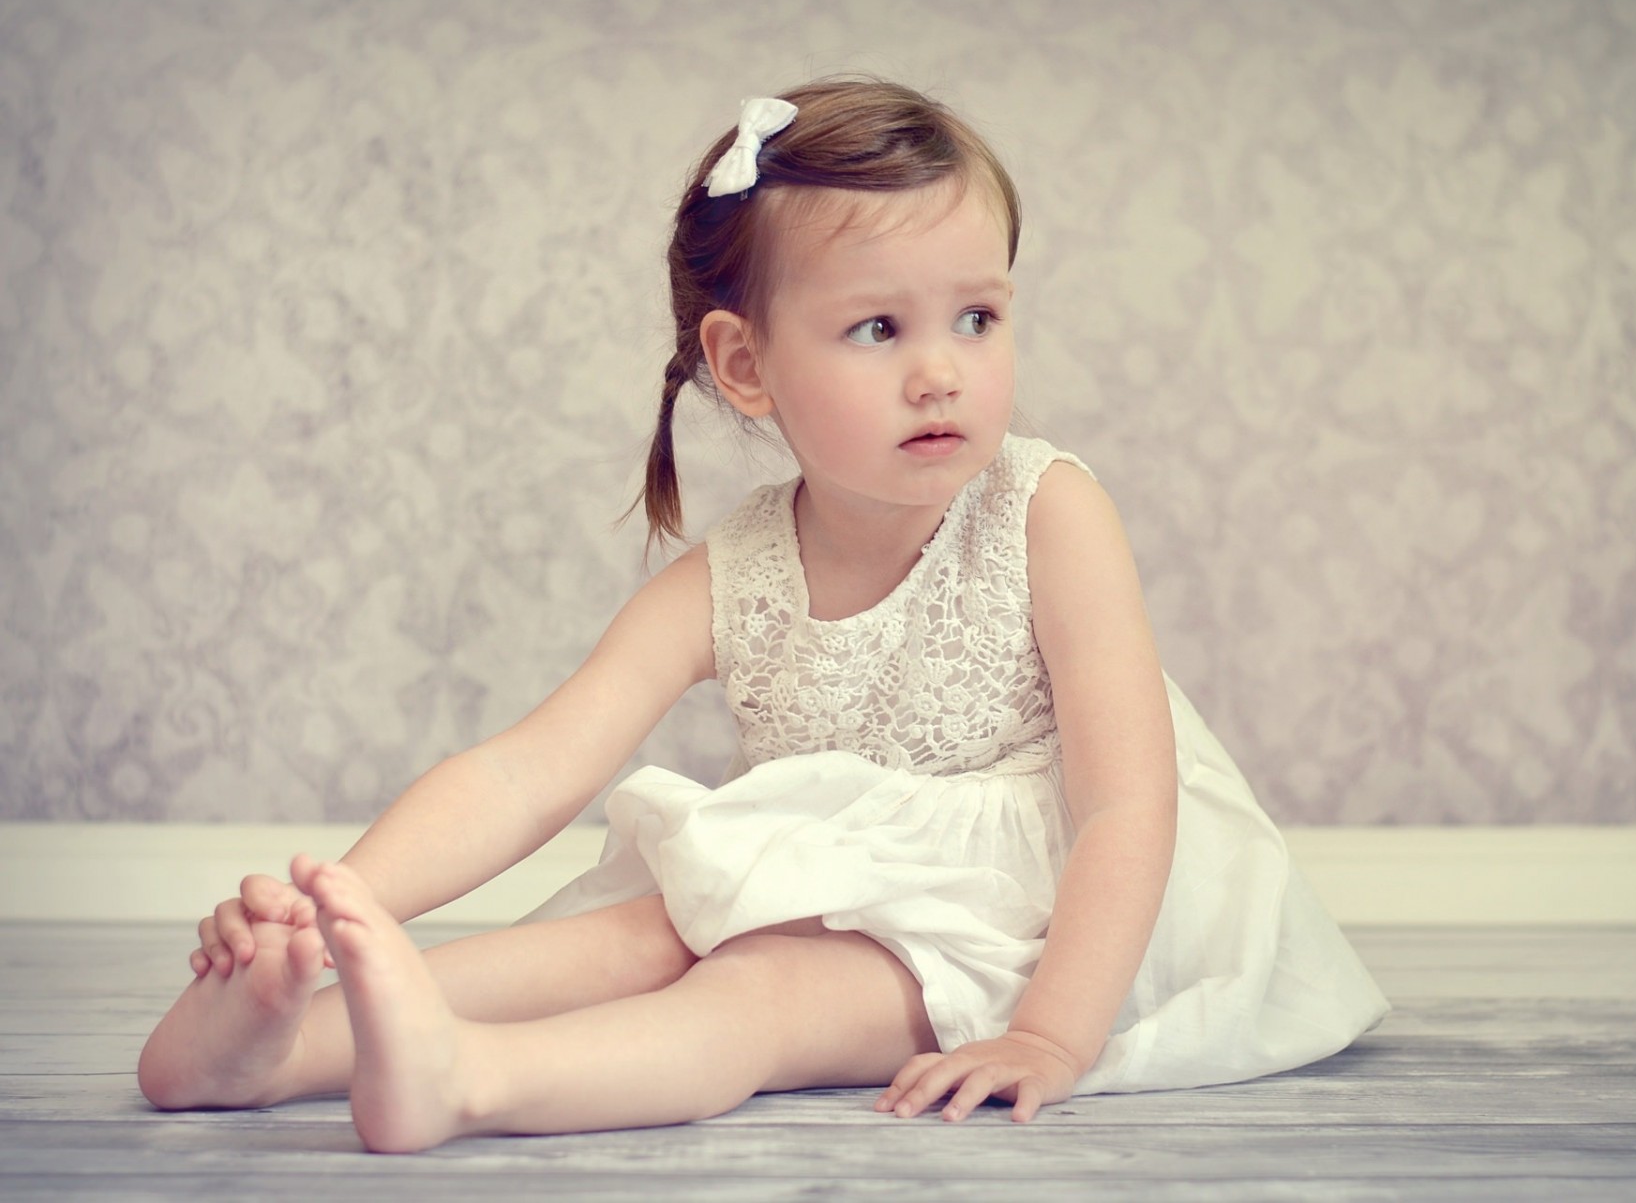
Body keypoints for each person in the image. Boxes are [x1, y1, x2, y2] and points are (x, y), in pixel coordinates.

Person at [136, 77, 1389, 1153]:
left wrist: (1051, 1033)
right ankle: (276, 1038)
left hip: (1054, 924)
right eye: (879, 326)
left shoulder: (1046, 513)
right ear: (746, 364)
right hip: (845, 883)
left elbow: (1126, 805)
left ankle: (469, 1081)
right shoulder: (730, 578)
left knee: (763, 986)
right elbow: (529, 770)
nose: (940, 368)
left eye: (978, 316)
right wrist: (338, 902)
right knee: (634, 935)